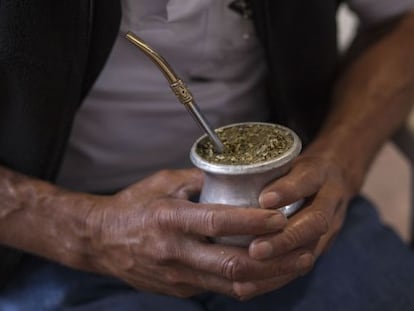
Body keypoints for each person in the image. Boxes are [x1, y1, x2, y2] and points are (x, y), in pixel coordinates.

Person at [0, 0, 414, 310]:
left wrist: (341, 159)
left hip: (294, 204)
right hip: (46, 233)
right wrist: (88, 231)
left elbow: (399, 23)